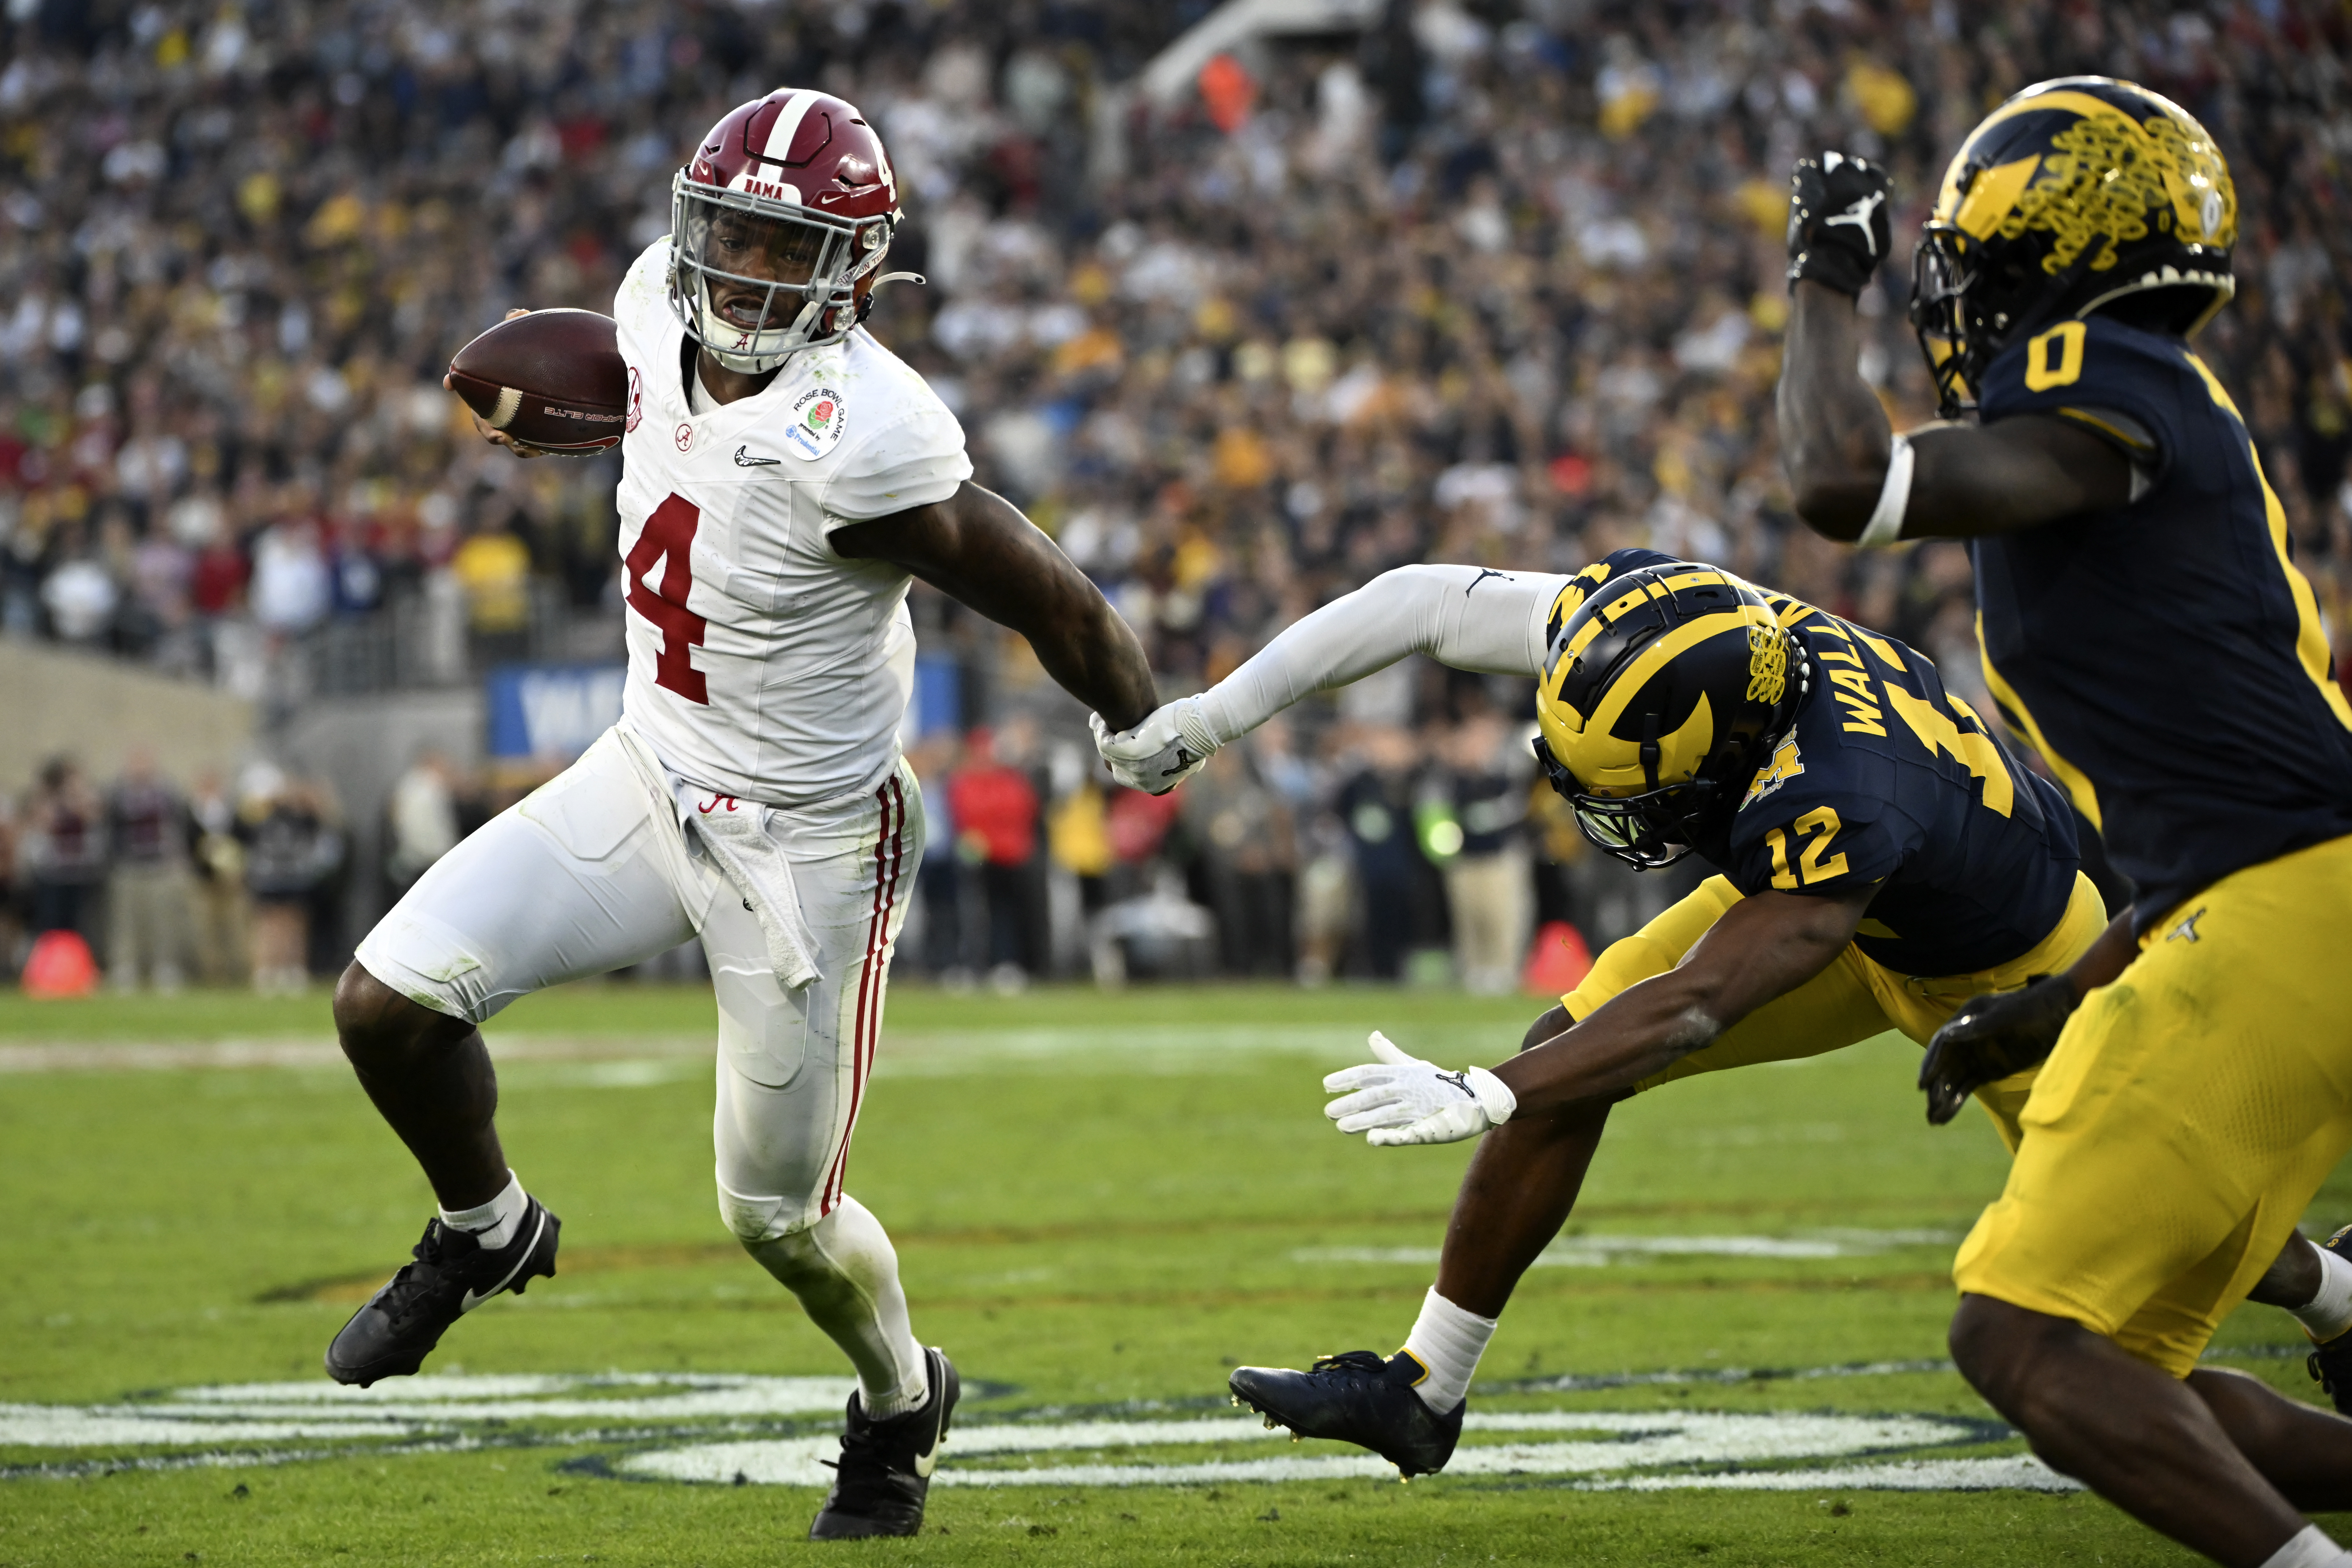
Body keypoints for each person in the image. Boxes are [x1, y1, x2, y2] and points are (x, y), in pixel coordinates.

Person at [330, 90, 1154, 1542]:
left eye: (787, 250)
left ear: (856, 272)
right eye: (731, 234)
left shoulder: (869, 433)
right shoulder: (653, 301)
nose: (746, 273)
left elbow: (1050, 597)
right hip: (648, 774)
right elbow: (638, 395)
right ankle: (487, 1231)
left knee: (776, 1218)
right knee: (387, 1006)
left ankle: (900, 1399)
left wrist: (1140, 722)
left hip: (805, 844)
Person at [1095, 547, 2332, 1482]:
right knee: (1566, 1055)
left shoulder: (1842, 780)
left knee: (2112, 1365)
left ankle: (2332, 1298)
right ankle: (1424, 1387)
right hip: (1857, 896)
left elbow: (1696, 1003)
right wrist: (1208, 720)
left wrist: (1486, 1095)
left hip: (2017, 968)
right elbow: (1420, 599)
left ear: (1734, 741)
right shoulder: (1657, 628)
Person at [1774, 78, 2352, 1568]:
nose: (1947, 289)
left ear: (2052, 237)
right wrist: (2049, 1002)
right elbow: (2207, 823)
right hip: (2272, 903)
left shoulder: (2107, 372)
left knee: (2022, 1345)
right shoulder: (2139, 407)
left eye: (1966, 252)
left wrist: (1822, 273)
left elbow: (1840, 477)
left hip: (2292, 913)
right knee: (2132, 1378)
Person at [104, 747, 195, 992]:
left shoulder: (167, 792)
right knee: (127, 920)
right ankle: (126, 966)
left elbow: (181, 824)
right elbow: (110, 827)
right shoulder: (118, 794)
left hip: (160, 863)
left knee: (163, 919)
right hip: (130, 863)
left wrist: (179, 856)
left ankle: (166, 966)